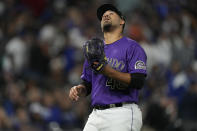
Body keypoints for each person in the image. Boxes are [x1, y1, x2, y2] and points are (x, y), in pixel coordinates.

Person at [69, 4, 147, 131]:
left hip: (122, 113)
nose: (105, 15)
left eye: (111, 13)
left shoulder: (132, 47)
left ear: (122, 21)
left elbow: (138, 81)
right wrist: (80, 89)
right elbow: (88, 83)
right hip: (96, 115)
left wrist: (107, 71)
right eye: (103, 15)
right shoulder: (95, 48)